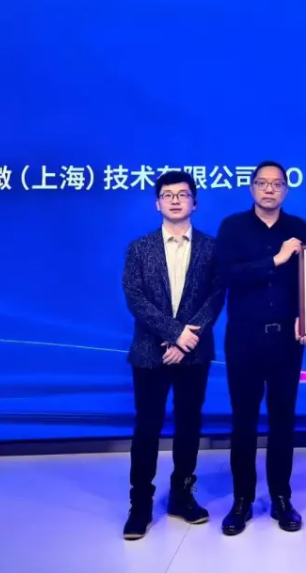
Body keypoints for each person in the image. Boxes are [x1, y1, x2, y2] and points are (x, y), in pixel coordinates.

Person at [121, 170, 225, 540]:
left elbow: (216, 296)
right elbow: (135, 298)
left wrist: (185, 340)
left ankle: (182, 495)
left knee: (188, 425)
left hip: (193, 354)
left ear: (195, 202)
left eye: (183, 194)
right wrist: (173, 334)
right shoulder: (139, 248)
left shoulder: (212, 248)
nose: (176, 200)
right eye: (168, 195)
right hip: (151, 353)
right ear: (157, 203)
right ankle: (140, 505)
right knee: (147, 427)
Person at [215, 161, 306, 536]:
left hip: (287, 341)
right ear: (252, 188)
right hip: (244, 339)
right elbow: (227, 275)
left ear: (285, 190)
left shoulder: (298, 227)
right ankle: (241, 500)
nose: (269, 189)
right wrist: (275, 260)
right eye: (262, 183)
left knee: (283, 420)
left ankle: (281, 498)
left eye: (276, 184)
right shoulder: (233, 227)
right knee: (244, 420)